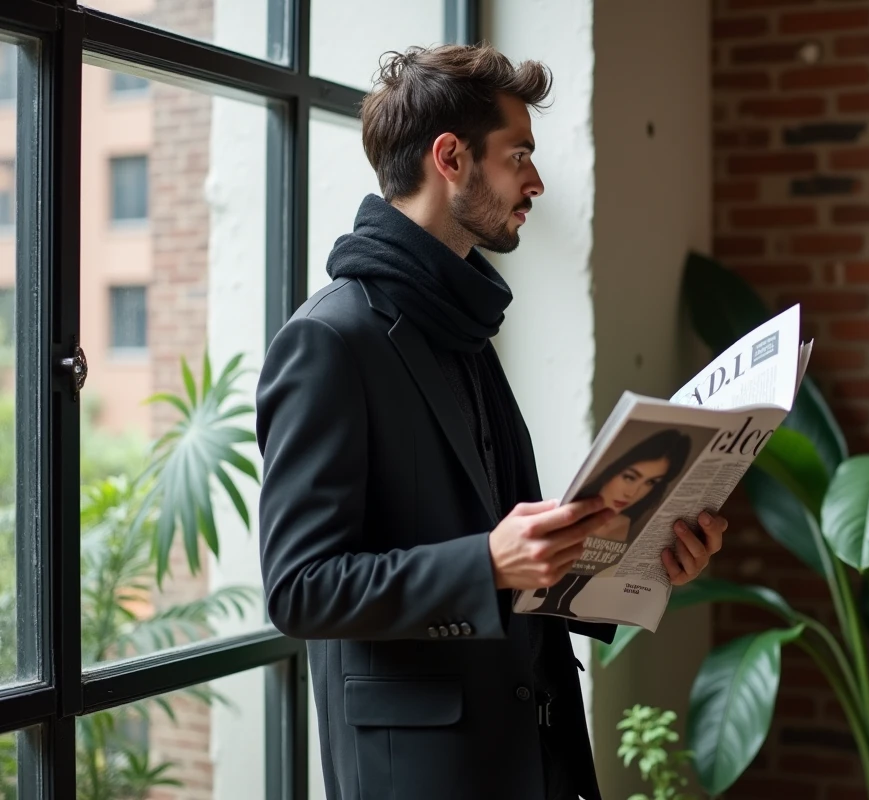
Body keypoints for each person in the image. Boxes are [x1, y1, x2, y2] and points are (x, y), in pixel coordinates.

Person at [254, 43, 727, 800]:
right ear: (450, 157)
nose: (536, 182)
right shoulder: (329, 340)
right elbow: (300, 588)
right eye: (519, 156)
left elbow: (512, 552)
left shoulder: (463, 321)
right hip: (423, 777)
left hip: (536, 756)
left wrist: (638, 561)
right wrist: (487, 564)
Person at [530, 429, 693, 618]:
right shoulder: (564, 515)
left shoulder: (631, 527)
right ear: (613, 468)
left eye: (650, 483)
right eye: (629, 477)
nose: (632, 493)